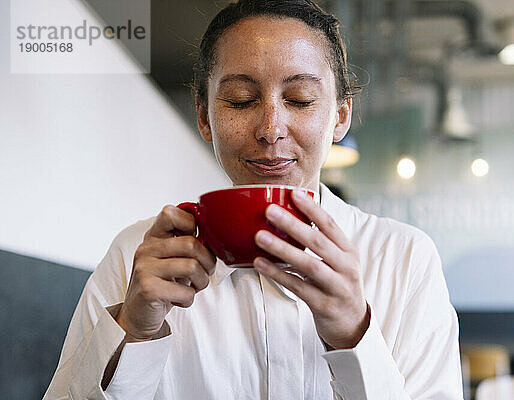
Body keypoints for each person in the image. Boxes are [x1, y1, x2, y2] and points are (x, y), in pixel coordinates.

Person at [44, 1, 463, 399]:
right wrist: (133, 331)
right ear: (205, 117)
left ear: (340, 116)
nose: (271, 128)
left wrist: (354, 334)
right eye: (241, 100)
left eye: (300, 99)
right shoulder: (139, 257)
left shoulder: (404, 259)